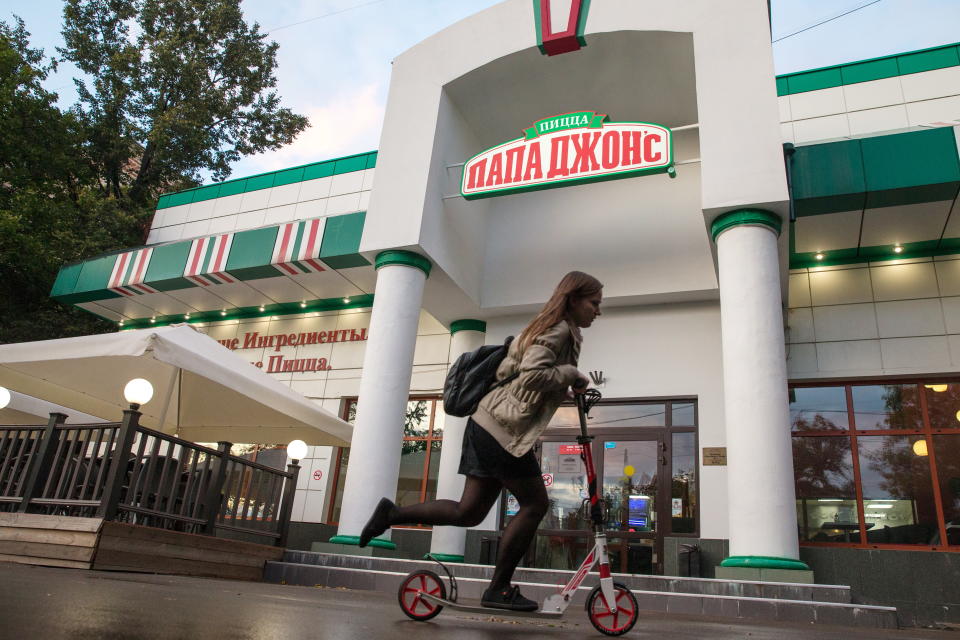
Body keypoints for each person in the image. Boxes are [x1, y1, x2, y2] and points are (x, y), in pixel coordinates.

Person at [358, 271, 602, 612]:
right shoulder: (558, 329)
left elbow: (525, 379)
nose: (597, 310)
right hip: (501, 430)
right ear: (574, 299)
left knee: (468, 511)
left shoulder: (549, 327)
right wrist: (571, 374)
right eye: (594, 303)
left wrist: (562, 383)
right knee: (535, 504)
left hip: (486, 425)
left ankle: (392, 512)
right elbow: (533, 376)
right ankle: (499, 589)